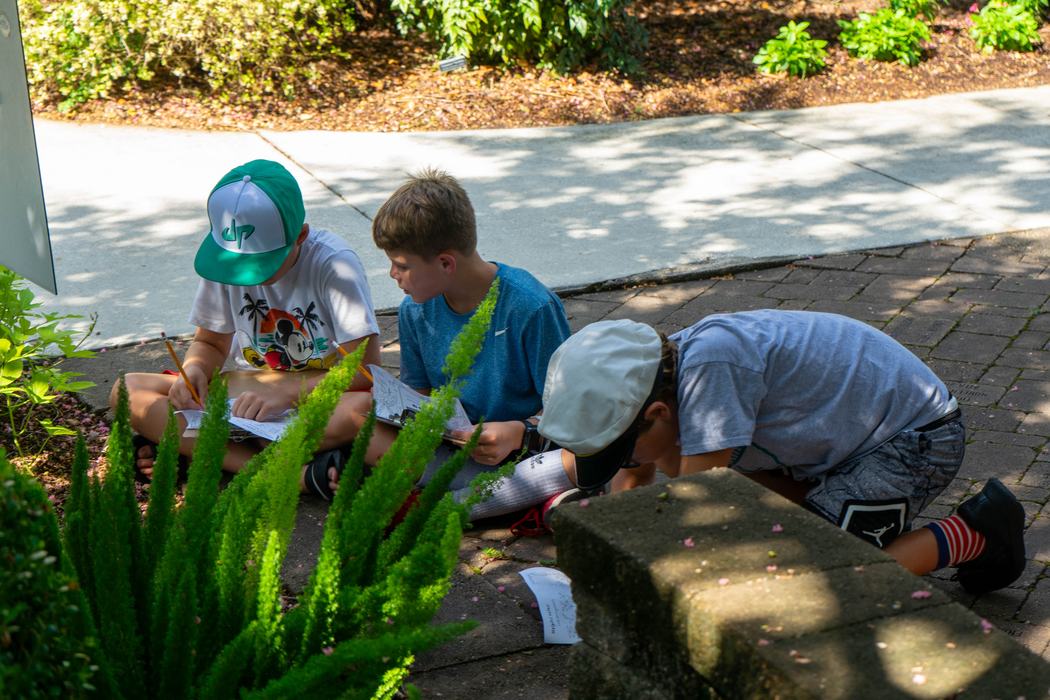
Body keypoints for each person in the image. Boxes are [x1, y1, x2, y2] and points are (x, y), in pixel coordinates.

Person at [536, 311, 1027, 594]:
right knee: (738, 509)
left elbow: (696, 508)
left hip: (913, 440)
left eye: (624, 452)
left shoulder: (713, 373)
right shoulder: (657, 376)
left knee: (821, 579)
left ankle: (976, 531)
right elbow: (636, 487)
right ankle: (825, 505)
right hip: (837, 445)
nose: (628, 465)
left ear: (658, 413)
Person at [115, 159, 381, 491]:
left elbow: (365, 370)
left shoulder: (333, 265)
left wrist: (289, 394)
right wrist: (194, 370)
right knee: (126, 391)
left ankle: (201, 450)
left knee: (360, 411)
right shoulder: (228, 263)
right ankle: (285, 474)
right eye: (238, 263)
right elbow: (210, 344)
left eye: (260, 264)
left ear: (300, 235)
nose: (245, 276)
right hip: (249, 395)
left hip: (317, 397)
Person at [330, 167, 576, 521]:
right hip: (453, 448)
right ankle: (511, 502)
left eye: (401, 265)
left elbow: (568, 412)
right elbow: (419, 391)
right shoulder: (414, 309)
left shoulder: (530, 306)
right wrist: (401, 410)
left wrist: (520, 431)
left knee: (563, 466)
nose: (392, 275)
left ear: (446, 262)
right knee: (356, 415)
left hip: (521, 452)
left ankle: (452, 502)